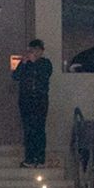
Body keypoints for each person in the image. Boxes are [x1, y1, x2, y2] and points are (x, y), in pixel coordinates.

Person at [14, 39, 53, 167]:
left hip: (40, 100)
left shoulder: (46, 64)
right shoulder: (25, 64)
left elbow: (45, 75)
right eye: (31, 50)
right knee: (28, 129)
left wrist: (34, 62)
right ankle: (29, 158)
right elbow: (15, 76)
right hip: (26, 100)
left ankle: (40, 158)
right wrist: (24, 63)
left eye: (36, 50)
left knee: (39, 128)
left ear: (41, 51)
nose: (33, 53)